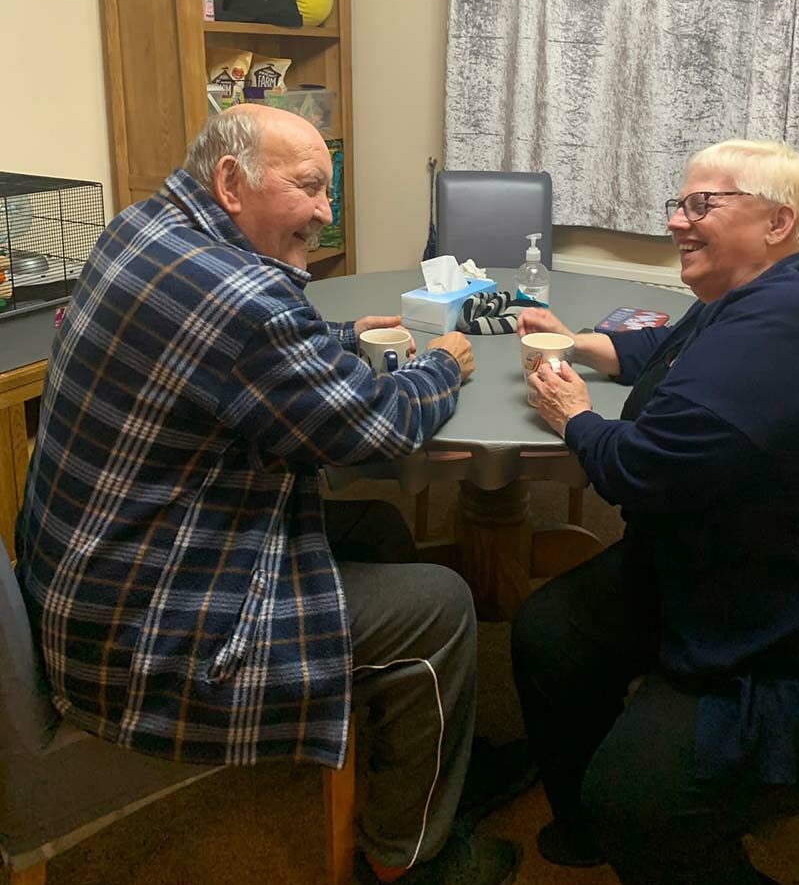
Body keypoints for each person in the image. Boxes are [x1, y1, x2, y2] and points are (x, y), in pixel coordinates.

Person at [15, 105, 521, 885]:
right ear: (230, 182)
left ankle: (409, 765)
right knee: (441, 604)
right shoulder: (244, 302)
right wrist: (443, 366)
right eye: (311, 187)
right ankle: (411, 860)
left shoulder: (141, 229)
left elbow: (235, 351)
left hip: (88, 583)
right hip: (143, 638)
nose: (326, 211)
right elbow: (374, 430)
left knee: (383, 533)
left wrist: (341, 338)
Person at [511, 139, 799, 884]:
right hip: (750, 565)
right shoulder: (767, 292)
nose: (677, 222)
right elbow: (669, 344)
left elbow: (640, 470)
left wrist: (575, 416)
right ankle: (582, 832)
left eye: (701, 205)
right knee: (551, 634)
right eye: (678, 204)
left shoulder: (794, 324)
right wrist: (585, 345)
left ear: (778, 221)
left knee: (638, 796)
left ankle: (625, 823)